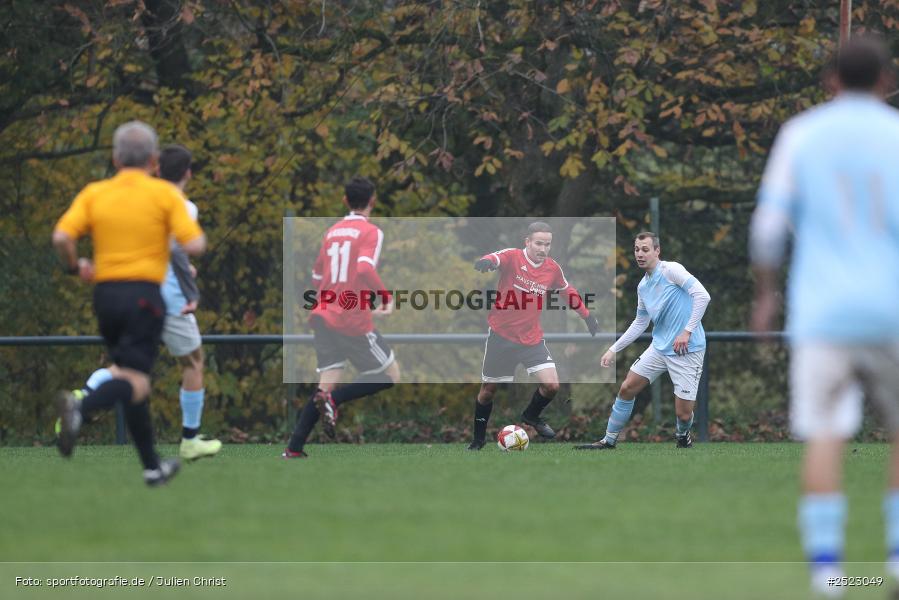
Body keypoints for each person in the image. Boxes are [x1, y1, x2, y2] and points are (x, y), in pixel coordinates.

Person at [750, 36, 899, 597]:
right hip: (892, 307)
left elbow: (767, 229)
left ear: (830, 81)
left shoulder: (800, 133)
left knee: (825, 435)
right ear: (885, 80)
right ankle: (895, 561)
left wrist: (766, 295)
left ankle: (829, 572)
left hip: (823, 312)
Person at [52, 121, 206, 486]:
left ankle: (152, 467)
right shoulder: (163, 195)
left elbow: (61, 237)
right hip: (143, 295)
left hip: (105, 295)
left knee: (129, 375)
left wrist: (76, 266)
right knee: (136, 382)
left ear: (115, 158)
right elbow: (195, 244)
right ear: (153, 161)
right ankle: (81, 407)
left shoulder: (95, 192)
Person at [283, 176, 399, 459]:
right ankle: (333, 401)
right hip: (350, 317)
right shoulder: (371, 232)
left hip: (323, 314)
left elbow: (316, 277)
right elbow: (364, 268)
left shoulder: (331, 232)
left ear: (345, 201)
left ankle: (294, 447)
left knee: (326, 381)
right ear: (373, 201)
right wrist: (385, 298)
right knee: (390, 375)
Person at [467, 221, 600, 450]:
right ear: (527, 242)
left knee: (552, 385)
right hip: (501, 337)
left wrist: (587, 316)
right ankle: (478, 441)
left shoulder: (552, 269)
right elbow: (496, 258)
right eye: (539, 243)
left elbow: (567, 291)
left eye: (547, 244)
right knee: (487, 392)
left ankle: (531, 415)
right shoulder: (513, 257)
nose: (543, 249)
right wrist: (487, 261)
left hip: (531, 339)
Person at [574, 232, 710, 450]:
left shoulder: (671, 270)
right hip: (659, 348)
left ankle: (683, 435)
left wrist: (687, 332)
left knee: (683, 414)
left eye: (645, 249)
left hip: (688, 350)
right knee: (627, 387)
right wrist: (613, 349)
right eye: (637, 249)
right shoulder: (643, 287)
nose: (640, 254)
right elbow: (640, 323)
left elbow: (703, 296)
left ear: (657, 251)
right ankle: (608, 440)